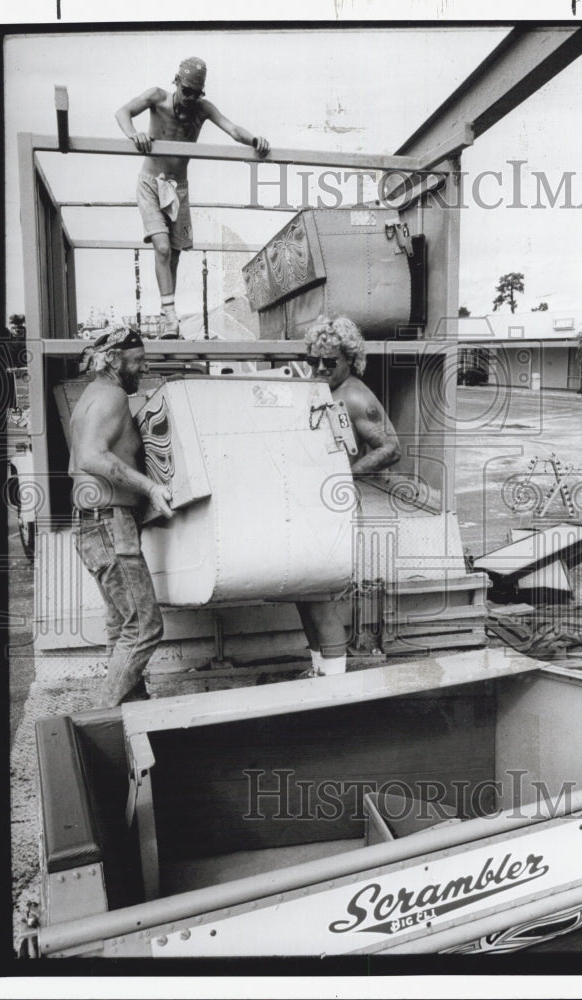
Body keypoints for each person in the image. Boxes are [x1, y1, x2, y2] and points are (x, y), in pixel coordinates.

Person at [116, 57, 270, 338]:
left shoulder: (201, 109)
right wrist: (133, 134)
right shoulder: (157, 98)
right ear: (176, 81)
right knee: (161, 247)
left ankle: (167, 317)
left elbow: (233, 129)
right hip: (151, 182)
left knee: (173, 253)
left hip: (178, 188)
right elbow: (123, 112)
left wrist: (255, 140)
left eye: (196, 93)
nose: (190, 97)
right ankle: (171, 316)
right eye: (186, 90)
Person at [69, 327, 174, 707]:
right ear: (113, 359)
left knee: (122, 628)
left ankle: (132, 715)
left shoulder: (89, 398)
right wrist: (150, 488)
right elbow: (92, 457)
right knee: (145, 627)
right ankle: (102, 718)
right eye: (138, 361)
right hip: (110, 522)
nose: (143, 369)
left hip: (92, 523)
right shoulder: (112, 396)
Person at [296, 316, 401, 677]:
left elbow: (391, 447)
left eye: (329, 362)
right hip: (312, 506)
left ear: (349, 360)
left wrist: (345, 474)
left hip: (335, 509)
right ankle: (318, 671)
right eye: (313, 361)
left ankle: (335, 682)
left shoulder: (354, 395)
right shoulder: (318, 389)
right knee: (304, 592)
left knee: (321, 598)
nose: (320, 369)